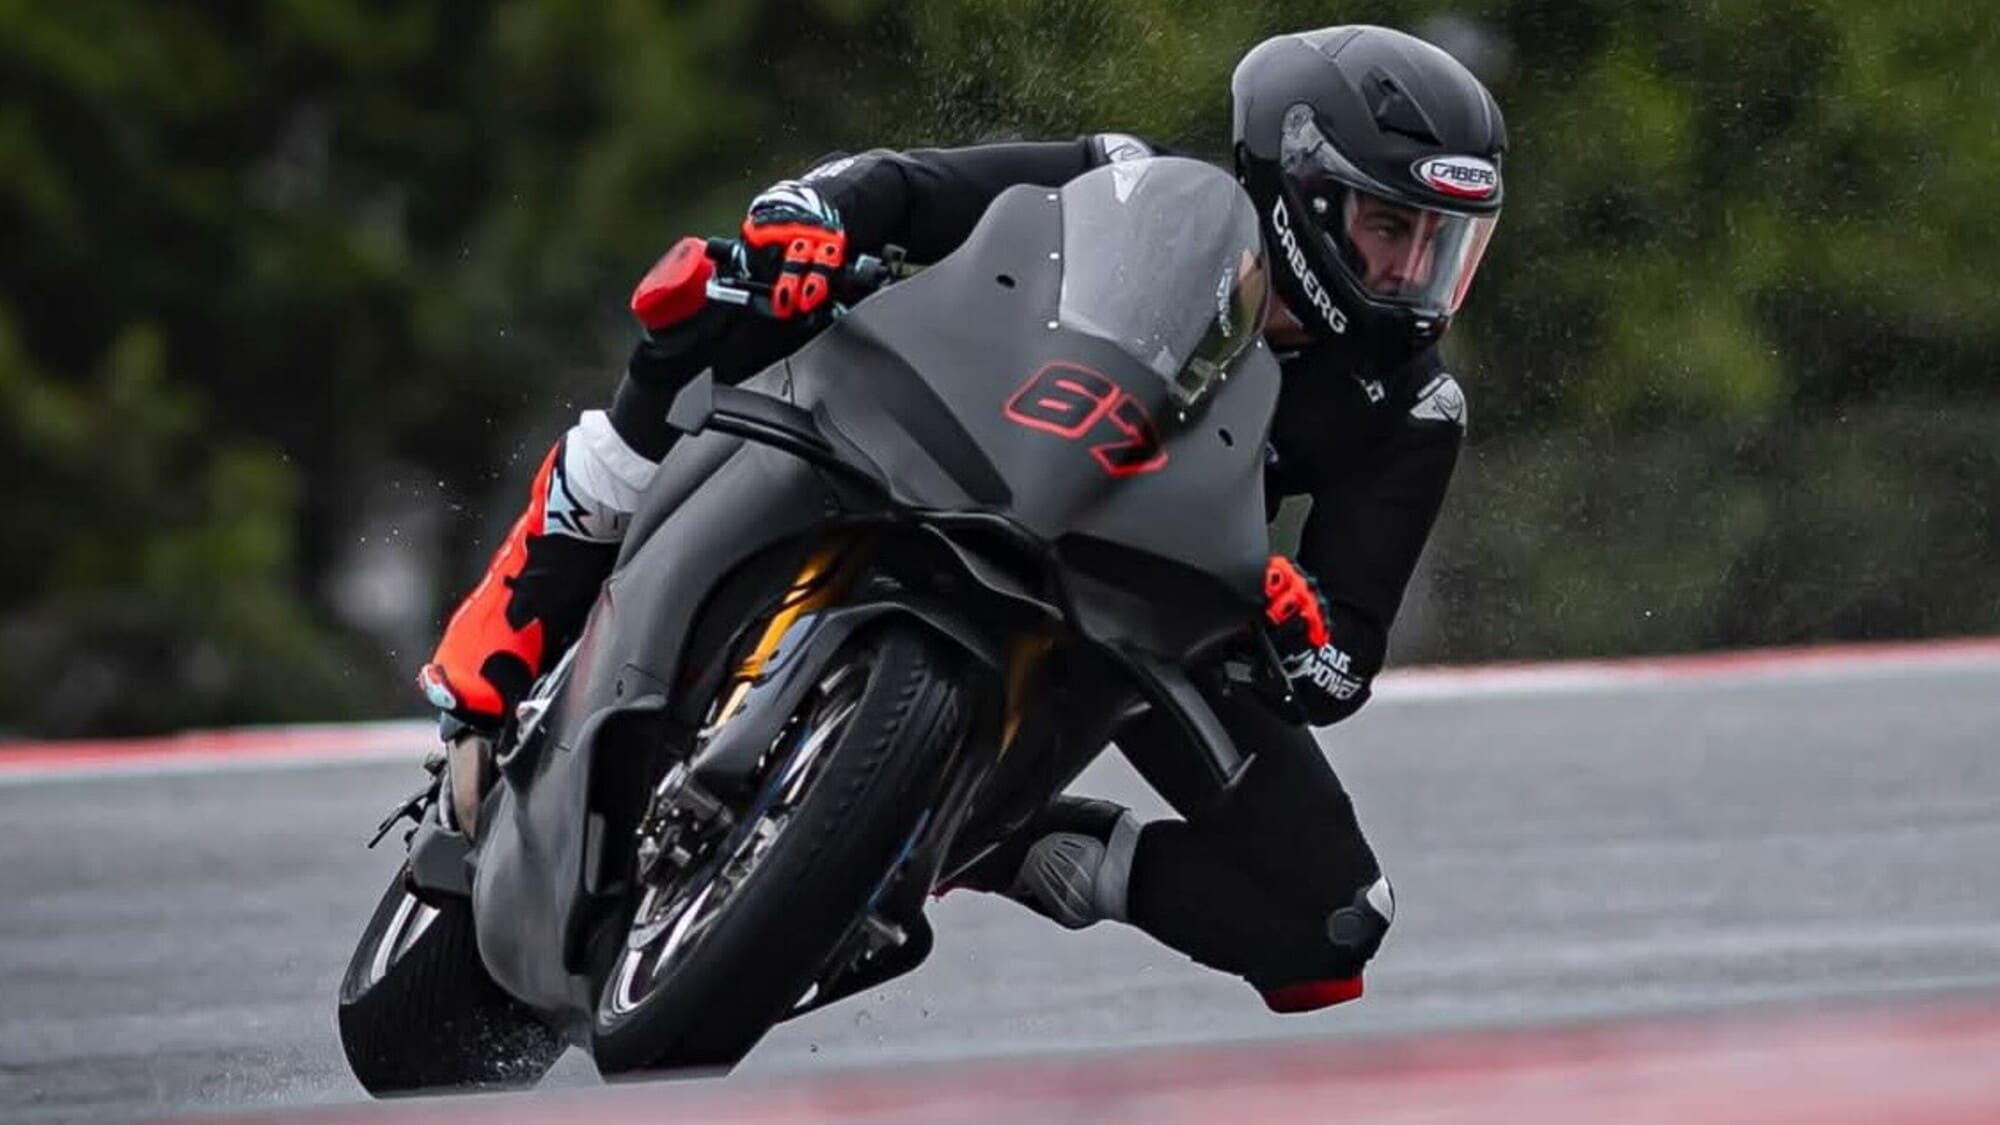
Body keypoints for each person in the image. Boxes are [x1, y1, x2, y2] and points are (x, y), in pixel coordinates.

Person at [418, 24, 1504, 1014]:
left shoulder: (1415, 409)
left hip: (1140, 593)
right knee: (714, 298)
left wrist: (1296, 620)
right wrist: (811, 225)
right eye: (1388, 228)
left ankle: (1002, 846)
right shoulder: (1133, 186)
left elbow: (1341, 665)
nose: (1413, 273)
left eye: (1442, 244)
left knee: (1331, 925)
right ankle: (502, 634)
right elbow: (898, 187)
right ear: (1300, 186)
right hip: (964, 429)